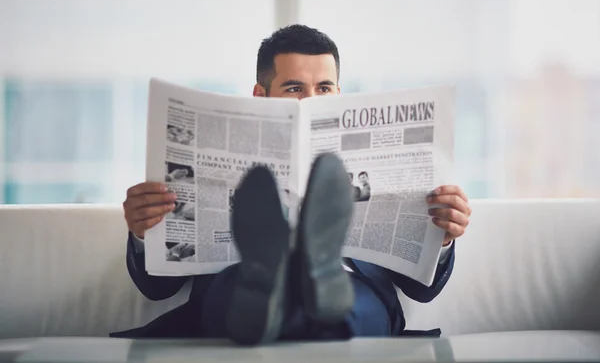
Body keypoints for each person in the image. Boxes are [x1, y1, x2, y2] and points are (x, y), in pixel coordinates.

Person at [112, 25, 472, 344]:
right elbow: (157, 288)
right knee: (236, 291)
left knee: (353, 307)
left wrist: (440, 239)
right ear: (260, 95)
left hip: (352, 286)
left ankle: (313, 282)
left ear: (339, 92)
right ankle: (283, 286)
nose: (311, 100)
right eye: (295, 87)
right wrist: (146, 233)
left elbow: (420, 291)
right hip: (241, 278)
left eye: (324, 88)